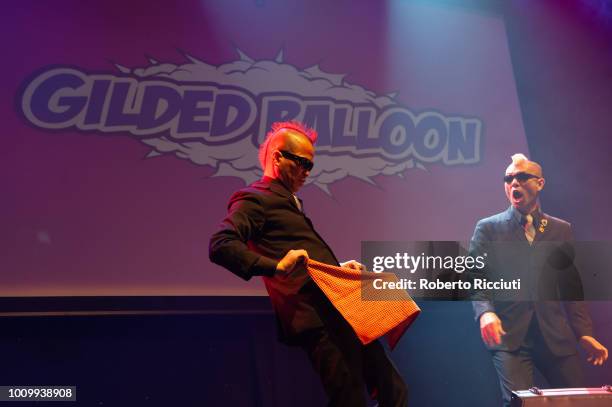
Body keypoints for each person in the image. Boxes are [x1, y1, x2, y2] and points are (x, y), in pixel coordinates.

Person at [209, 121, 407, 406]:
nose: (306, 172)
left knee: (394, 391)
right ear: (277, 157)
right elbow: (221, 244)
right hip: (317, 317)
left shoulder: (289, 202)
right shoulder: (255, 199)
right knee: (349, 400)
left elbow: (303, 259)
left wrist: (338, 268)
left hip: (341, 311)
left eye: (310, 166)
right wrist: (275, 266)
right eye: (301, 163)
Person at [470, 153, 608, 407]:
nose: (514, 183)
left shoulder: (560, 229)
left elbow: (570, 284)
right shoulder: (489, 228)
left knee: (581, 402)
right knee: (519, 403)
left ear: (540, 183)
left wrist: (584, 333)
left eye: (522, 177)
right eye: (509, 178)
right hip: (511, 337)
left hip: (555, 335)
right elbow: (477, 275)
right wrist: (485, 312)